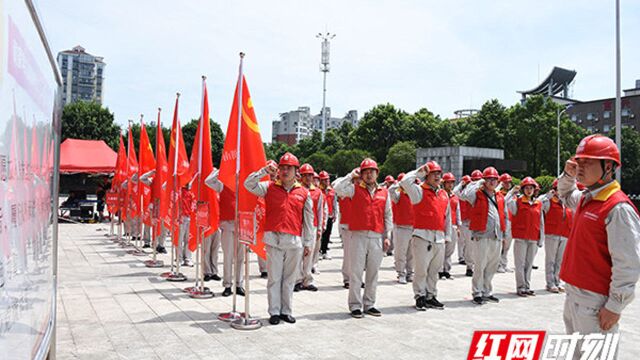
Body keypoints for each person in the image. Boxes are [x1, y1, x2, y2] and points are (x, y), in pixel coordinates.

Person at [558, 135, 640, 348]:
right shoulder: (588, 198)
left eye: (589, 162)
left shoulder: (618, 208)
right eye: (579, 162)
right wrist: (567, 175)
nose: (581, 167)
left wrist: (615, 306)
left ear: (609, 166)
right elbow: (566, 194)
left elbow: (628, 263)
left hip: (595, 303)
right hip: (574, 295)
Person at [244, 152, 314, 325]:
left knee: (290, 279)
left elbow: (308, 221)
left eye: (289, 168)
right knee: (274, 278)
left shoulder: (304, 193)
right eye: (282, 167)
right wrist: (263, 171)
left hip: (294, 242)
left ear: (296, 171)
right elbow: (248, 184)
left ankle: (286, 311)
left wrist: (308, 243)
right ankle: (274, 311)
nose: (284, 171)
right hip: (273, 240)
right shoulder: (269, 187)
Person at [334, 158, 392, 318]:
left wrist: (387, 236)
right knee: (356, 272)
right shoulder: (353, 189)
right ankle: (355, 305)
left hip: (376, 236)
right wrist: (350, 175)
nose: (368, 175)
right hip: (358, 235)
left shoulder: (384, 193)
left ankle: (369, 304)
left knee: (373, 272)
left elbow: (388, 215)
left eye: (371, 172)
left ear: (377, 173)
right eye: (365, 172)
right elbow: (337, 189)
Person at [400, 161, 451, 310]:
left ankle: (431, 295)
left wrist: (447, 236)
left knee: (434, 270)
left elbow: (447, 217)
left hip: (439, 237)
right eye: (433, 174)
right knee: (421, 270)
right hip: (422, 237)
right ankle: (420, 296)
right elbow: (404, 181)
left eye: (438, 174)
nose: (437, 176)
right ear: (426, 176)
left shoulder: (443, 194)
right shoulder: (418, 191)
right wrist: (419, 172)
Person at [458, 167, 506, 305]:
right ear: (484, 181)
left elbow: (503, 215)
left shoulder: (499, 196)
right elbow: (464, 194)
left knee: (492, 265)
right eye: (489, 179)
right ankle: (477, 292)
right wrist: (477, 183)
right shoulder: (476, 194)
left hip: (496, 235)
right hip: (481, 235)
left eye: (494, 179)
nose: (492, 182)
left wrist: (504, 234)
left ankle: (487, 291)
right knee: (480, 265)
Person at [205, 169, 244, 297]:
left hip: (242, 226)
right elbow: (208, 181)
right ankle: (227, 285)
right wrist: (221, 169)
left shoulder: (245, 184)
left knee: (240, 258)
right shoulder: (223, 184)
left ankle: (239, 284)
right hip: (228, 225)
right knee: (228, 257)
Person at [506, 177, 544, 297]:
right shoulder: (517, 202)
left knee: (529, 264)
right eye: (526, 188)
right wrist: (512, 192)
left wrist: (541, 238)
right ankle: (520, 287)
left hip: (533, 237)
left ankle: (527, 286)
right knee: (520, 264)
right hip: (521, 238)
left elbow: (541, 222)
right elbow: (505, 202)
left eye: (531, 188)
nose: (529, 190)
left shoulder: (538, 204)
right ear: (523, 189)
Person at [539, 179, 572, 293]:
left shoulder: (567, 202)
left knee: (560, 260)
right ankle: (550, 282)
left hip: (564, 234)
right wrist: (547, 196)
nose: (560, 191)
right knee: (551, 260)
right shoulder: (548, 202)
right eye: (558, 189)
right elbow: (539, 205)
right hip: (552, 234)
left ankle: (558, 281)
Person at [295, 164, 324, 292]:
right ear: (300, 176)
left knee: (309, 253)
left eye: (309, 175)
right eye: (305, 175)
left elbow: (320, 211)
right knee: (297, 254)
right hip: (298, 226)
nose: (307, 177)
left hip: (312, 226)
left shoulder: (317, 192)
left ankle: (307, 280)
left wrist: (319, 228)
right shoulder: (296, 189)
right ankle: (296, 280)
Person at [388, 172, 414, 284]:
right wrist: (400, 183)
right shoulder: (398, 195)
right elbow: (390, 190)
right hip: (401, 227)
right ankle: (401, 273)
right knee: (400, 253)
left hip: (414, 227)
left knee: (411, 253)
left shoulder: (414, 194)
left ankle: (410, 273)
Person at [453, 175, 476, 277]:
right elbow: (455, 192)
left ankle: (470, 265)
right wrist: (461, 184)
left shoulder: (476, 194)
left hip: (474, 222)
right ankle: (467, 263)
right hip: (464, 222)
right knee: (464, 243)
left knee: (472, 246)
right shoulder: (463, 194)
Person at [440, 172, 460, 280]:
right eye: (448, 182)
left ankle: (447, 270)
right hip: (442, 225)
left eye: (452, 182)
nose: (450, 185)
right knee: (441, 249)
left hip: (452, 225)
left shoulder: (454, 196)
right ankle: (440, 271)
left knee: (450, 250)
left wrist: (458, 226)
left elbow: (458, 211)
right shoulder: (440, 194)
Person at [497, 173, 514, 273]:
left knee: (507, 245)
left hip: (511, 221)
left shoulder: (512, 195)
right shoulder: (499, 194)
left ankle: (504, 263)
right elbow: (503, 201)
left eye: (509, 182)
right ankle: (498, 264)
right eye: (505, 182)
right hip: (502, 220)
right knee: (502, 244)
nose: (508, 184)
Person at [319, 171, 337, 260]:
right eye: (324, 180)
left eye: (327, 180)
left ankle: (324, 251)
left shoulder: (332, 191)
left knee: (327, 234)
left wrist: (335, 213)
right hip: (320, 216)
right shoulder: (318, 190)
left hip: (329, 215)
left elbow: (334, 203)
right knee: (320, 234)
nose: (327, 182)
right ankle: (319, 251)